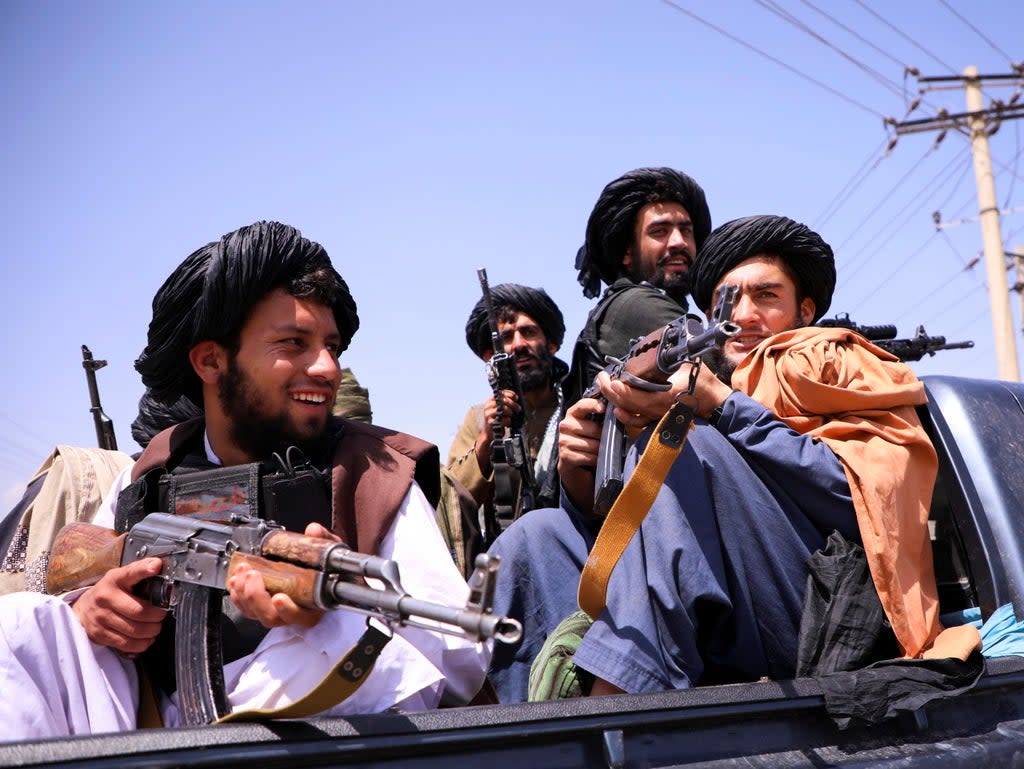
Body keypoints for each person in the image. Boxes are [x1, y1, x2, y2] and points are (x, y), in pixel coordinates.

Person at [0, 221, 488, 741]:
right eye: (293, 343)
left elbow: (460, 663)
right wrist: (93, 608)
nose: (326, 367)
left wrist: (328, 618)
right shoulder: (148, 474)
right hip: (146, 725)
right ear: (211, 361)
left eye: (331, 345)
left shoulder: (372, 473)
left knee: (310, 653)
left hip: (300, 735)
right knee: (19, 625)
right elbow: (79, 584)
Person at [563, 214, 978, 696]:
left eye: (766, 296)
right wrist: (580, 472)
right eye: (728, 300)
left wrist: (724, 408)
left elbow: (867, 502)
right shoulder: (694, 381)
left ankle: (613, 712)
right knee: (537, 538)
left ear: (805, 311)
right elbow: (643, 540)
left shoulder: (835, 359)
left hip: (827, 611)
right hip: (726, 618)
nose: (742, 315)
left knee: (682, 446)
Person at [564, 166, 712, 407]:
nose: (679, 242)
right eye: (659, 232)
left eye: (686, 231)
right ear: (627, 253)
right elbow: (721, 384)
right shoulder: (636, 304)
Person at [447, 283, 568, 543]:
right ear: (491, 355)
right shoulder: (479, 419)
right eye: (507, 337)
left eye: (528, 332)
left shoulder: (575, 408)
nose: (518, 345)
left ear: (551, 344)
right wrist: (486, 440)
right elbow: (452, 503)